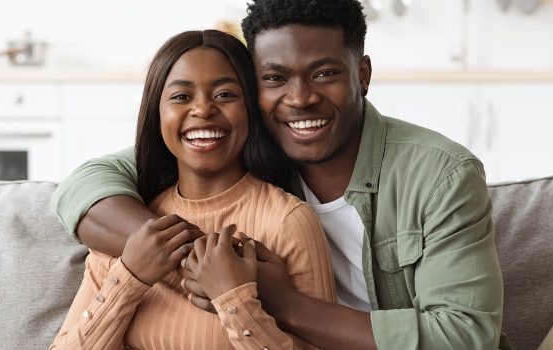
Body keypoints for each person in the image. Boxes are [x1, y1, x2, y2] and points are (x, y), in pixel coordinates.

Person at [52, 0, 508, 348]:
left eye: (325, 73)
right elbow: (83, 186)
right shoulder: (242, 145)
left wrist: (281, 302)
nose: (300, 98)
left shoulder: (440, 174)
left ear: (362, 75)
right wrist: (198, 257)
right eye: (274, 78)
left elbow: (466, 335)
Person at [50, 29, 335, 349]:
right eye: (181, 97)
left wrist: (234, 302)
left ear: (251, 109)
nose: (203, 110)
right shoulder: (134, 218)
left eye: (225, 94)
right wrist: (130, 278)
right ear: (157, 114)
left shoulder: (288, 222)